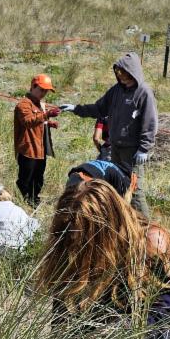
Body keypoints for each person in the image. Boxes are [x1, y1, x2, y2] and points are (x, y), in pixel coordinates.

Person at [37, 179, 170, 339]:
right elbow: (62, 313)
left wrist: (119, 337)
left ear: (109, 226)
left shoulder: (151, 243)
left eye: (84, 236)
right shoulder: (69, 242)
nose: (75, 242)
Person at [60, 53, 157, 218]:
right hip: (115, 148)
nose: (123, 80)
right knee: (115, 185)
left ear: (133, 73)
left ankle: (144, 225)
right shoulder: (116, 91)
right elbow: (99, 108)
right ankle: (121, 218)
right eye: (121, 76)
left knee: (134, 187)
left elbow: (150, 121)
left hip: (132, 151)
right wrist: (76, 108)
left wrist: (144, 148)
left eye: (127, 77)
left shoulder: (144, 92)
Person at [12, 74, 60, 206]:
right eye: (42, 90)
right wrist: (47, 114)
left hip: (40, 147)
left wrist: (49, 123)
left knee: (38, 177)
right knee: (25, 178)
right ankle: (24, 200)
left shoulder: (39, 104)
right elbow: (27, 121)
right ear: (33, 87)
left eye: (46, 91)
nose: (44, 93)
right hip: (28, 148)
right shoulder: (23, 104)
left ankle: (34, 199)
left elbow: (38, 121)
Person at [64, 158, 136, 199]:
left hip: (75, 174)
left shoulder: (114, 167)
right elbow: (122, 206)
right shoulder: (124, 182)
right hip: (89, 180)